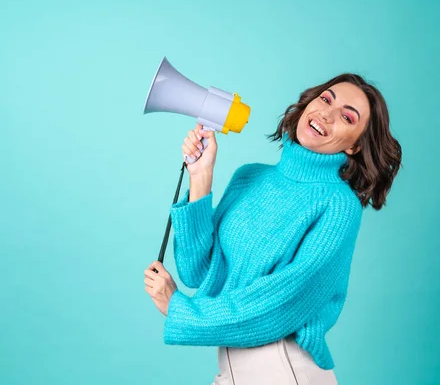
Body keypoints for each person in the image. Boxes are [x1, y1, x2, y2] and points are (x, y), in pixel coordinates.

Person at [144, 73, 402, 384]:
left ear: (356, 146)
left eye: (346, 116)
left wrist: (180, 310)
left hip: (283, 368)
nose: (326, 114)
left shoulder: (338, 205)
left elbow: (280, 305)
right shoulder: (249, 177)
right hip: (232, 367)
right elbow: (198, 271)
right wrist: (201, 176)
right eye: (325, 99)